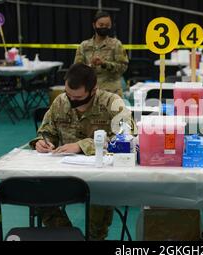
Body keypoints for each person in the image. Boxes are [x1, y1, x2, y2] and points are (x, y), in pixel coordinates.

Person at [30, 63, 136, 240]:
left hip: (101, 179)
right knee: (38, 196)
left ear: (93, 90)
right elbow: (47, 131)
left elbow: (128, 136)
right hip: (65, 175)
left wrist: (83, 146)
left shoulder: (112, 102)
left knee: (97, 214)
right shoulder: (61, 101)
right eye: (68, 94)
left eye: (78, 97)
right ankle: (69, 237)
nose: (71, 100)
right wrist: (42, 141)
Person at [74, 11, 129, 97]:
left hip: (112, 93)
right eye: (101, 25)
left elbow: (123, 67)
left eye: (107, 25)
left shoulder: (116, 44)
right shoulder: (84, 46)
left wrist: (104, 64)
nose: (104, 27)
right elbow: (77, 70)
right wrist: (90, 65)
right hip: (89, 92)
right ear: (94, 25)